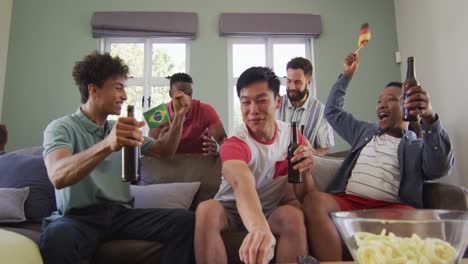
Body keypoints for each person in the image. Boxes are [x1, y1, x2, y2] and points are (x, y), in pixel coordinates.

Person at [39, 52, 195, 264]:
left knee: (185, 221)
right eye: (119, 88)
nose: (124, 96)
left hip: (119, 216)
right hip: (77, 218)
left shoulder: (120, 128)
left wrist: (179, 117)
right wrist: (107, 144)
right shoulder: (61, 128)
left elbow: (164, 152)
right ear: (93, 90)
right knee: (57, 237)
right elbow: (58, 175)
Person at [303, 53, 454, 261]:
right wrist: (346, 76)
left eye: (391, 100)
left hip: (391, 209)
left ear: (407, 105)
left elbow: (440, 167)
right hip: (349, 203)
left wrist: (428, 116)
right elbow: (332, 112)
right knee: (314, 200)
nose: (381, 105)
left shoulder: (416, 145)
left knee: (429, 221)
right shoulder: (363, 131)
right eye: (379, 101)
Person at [195, 67, 315, 264]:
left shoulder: (293, 137)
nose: (253, 110)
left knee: (293, 215)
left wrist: (307, 170)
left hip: (269, 210)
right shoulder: (235, 142)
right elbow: (242, 182)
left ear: (277, 101)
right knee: (206, 209)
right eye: (246, 103)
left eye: (261, 101)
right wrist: (259, 229)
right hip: (230, 210)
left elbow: (304, 195)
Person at [149, 73, 227, 156]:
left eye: (189, 94)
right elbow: (150, 151)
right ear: (170, 94)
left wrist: (217, 150)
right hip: (168, 163)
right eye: (180, 95)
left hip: (199, 162)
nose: (186, 100)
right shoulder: (158, 113)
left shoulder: (205, 110)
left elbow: (223, 140)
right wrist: (159, 142)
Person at [276, 57, 334, 155]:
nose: (292, 87)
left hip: (304, 168)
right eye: (289, 81)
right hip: (276, 167)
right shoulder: (276, 105)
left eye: (297, 82)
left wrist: (312, 152)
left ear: (308, 82)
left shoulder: (321, 111)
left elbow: (326, 150)